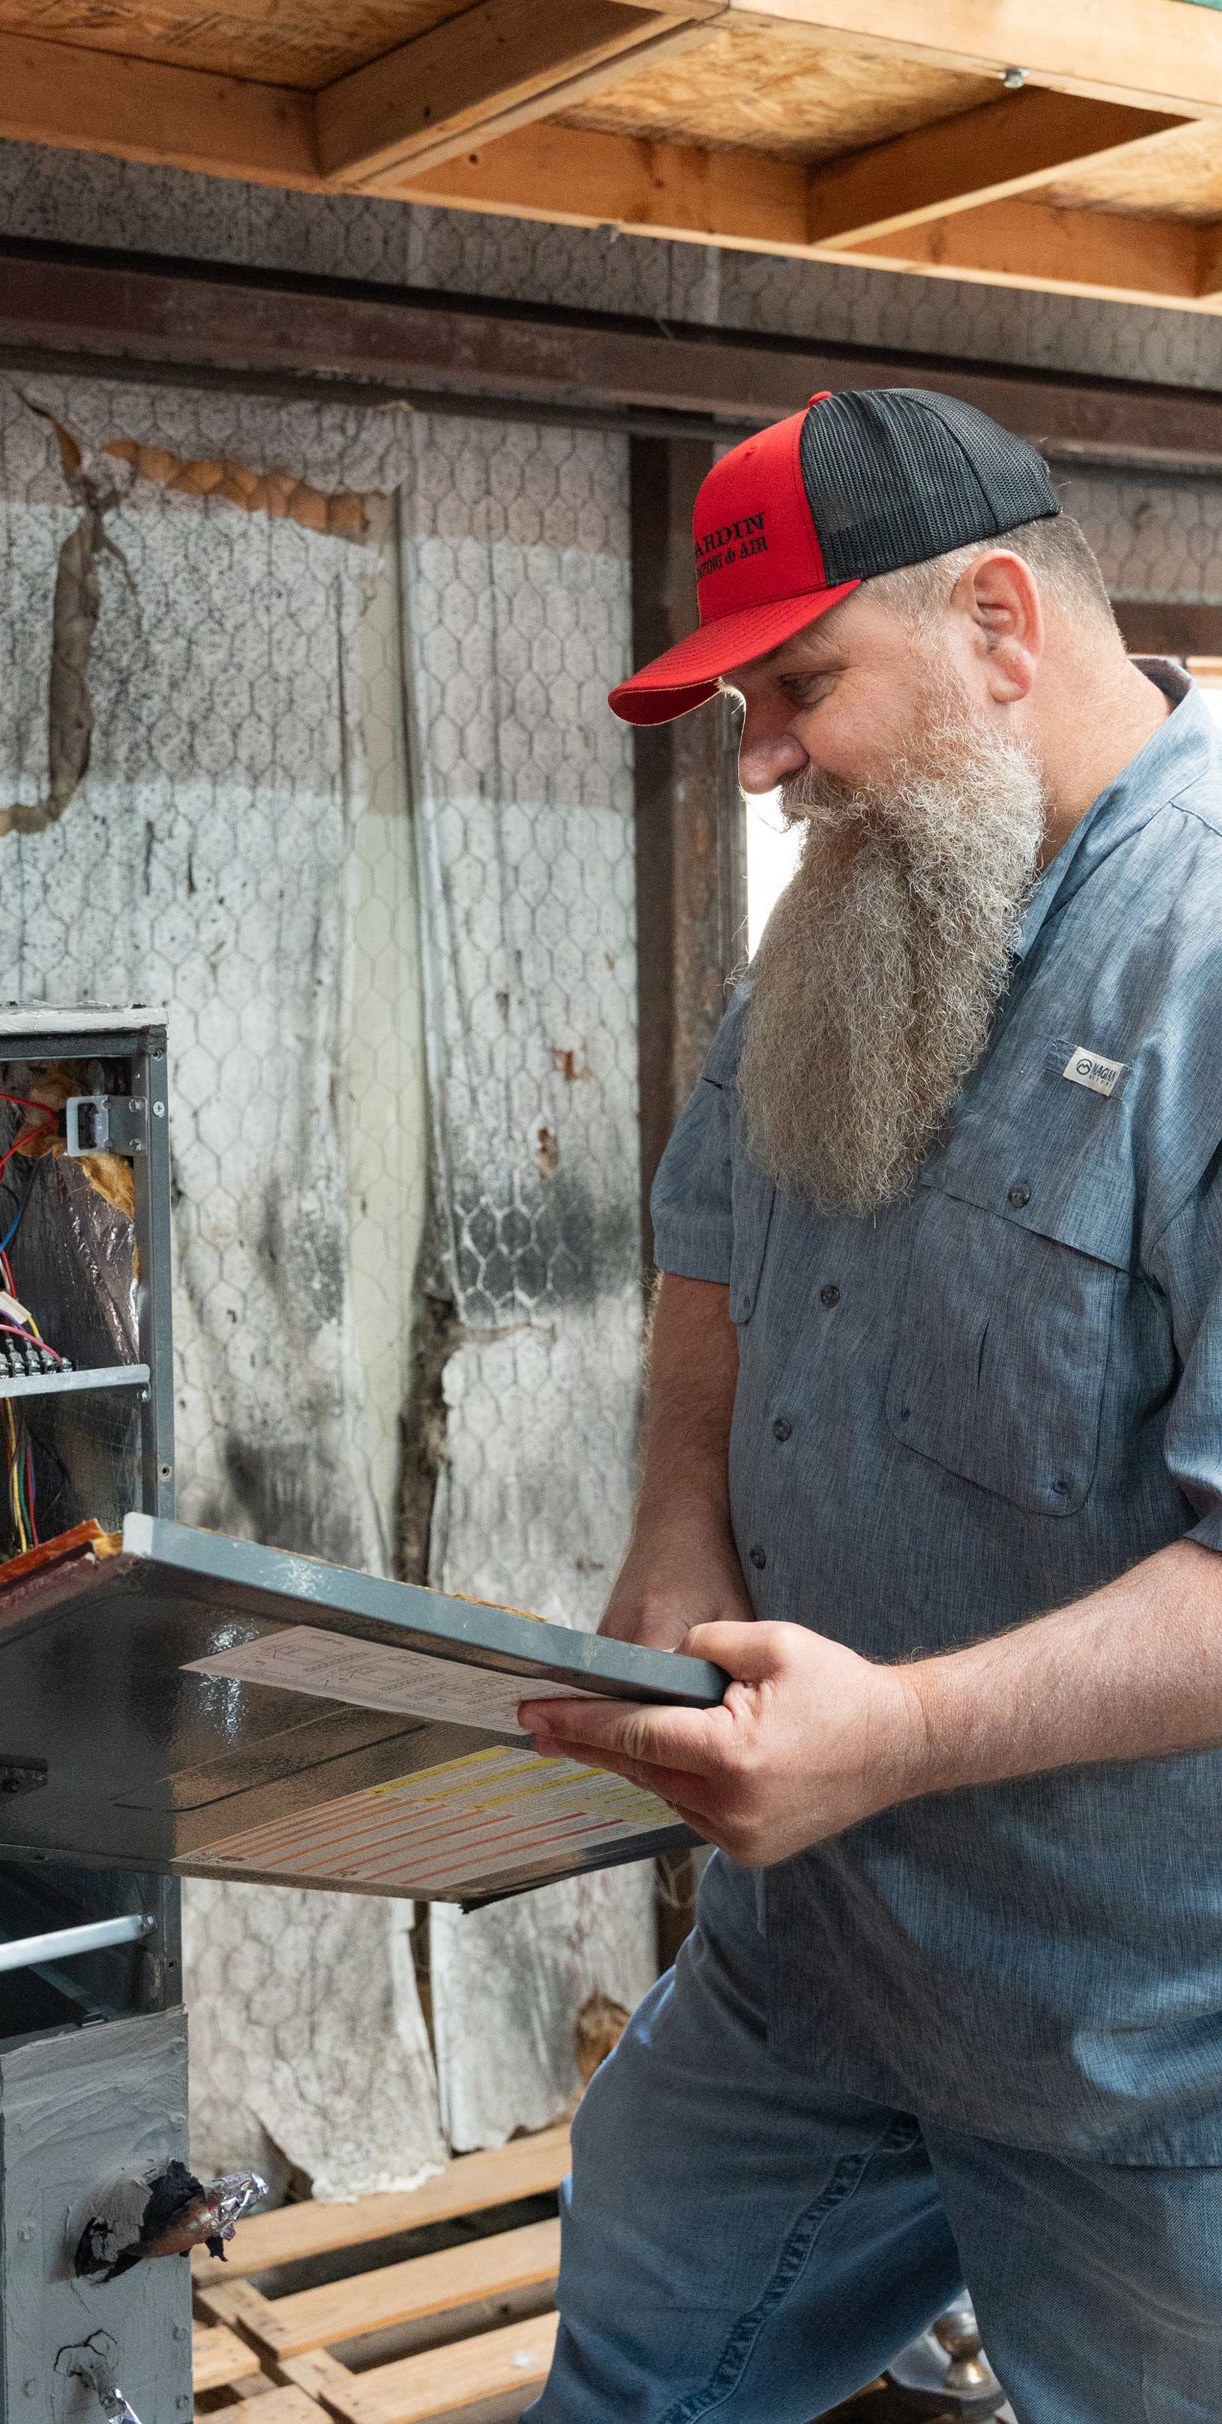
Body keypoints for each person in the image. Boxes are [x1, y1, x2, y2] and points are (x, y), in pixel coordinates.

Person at [519, 389, 1222, 2423]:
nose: (761, 763)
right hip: (819, 1966)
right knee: (637, 2377)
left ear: (1001, 619)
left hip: (1146, 2041)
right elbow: (717, 1232)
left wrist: (897, 1736)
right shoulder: (866, 901)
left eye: (795, 685)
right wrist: (679, 1532)